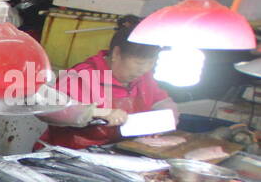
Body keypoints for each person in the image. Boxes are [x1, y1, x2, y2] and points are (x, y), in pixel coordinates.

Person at [38, 20, 177, 150]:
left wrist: (164, 120)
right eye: (139, 63)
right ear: (117, 53)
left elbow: (161, 102)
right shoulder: (82, 76)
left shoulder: (143, 77)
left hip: (117, 151)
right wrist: (96, 112)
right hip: (68, 155)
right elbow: (48, 110)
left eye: (151, 63)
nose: (145, 69)